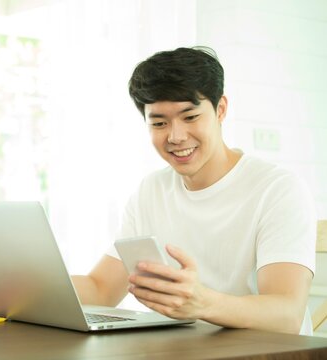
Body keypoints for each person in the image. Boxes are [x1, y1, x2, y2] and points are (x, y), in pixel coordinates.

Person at [72, 47, 316, 335]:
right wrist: (17, 288)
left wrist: (203, 303)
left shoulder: (277, 190)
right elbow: (100, 290)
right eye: (159, 123)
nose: (175, 136)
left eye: (190, 117)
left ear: (220, 109)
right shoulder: (151, 191)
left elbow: (286, 314)